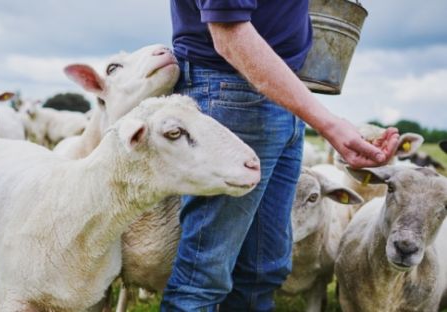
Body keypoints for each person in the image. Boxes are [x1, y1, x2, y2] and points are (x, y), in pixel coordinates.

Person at [161, 1, 400, 311]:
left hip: (282, 92)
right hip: (231, 92)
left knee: (263, 269)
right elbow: (229, 31)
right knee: (203, 275)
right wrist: (328, 124)